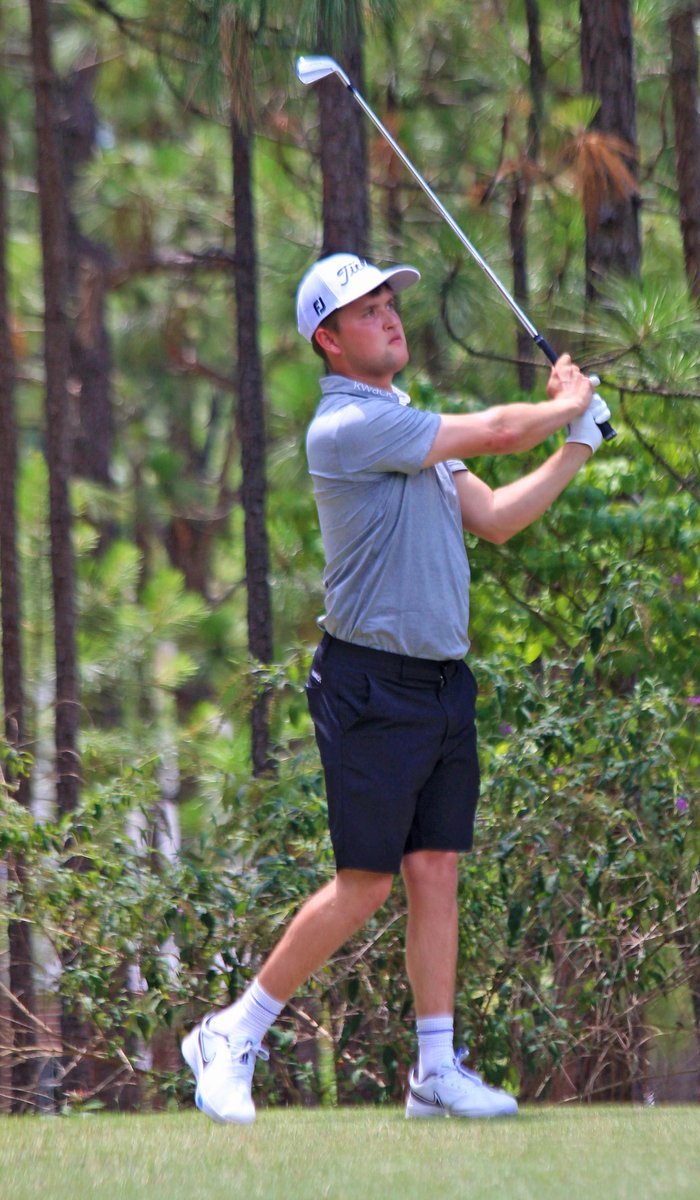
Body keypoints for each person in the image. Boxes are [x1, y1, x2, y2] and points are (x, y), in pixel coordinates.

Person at [182, 252, 609, 1123]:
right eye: (366, 309)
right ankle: (233, 1032)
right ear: (328, 342)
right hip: (369, 682)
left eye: (388, 302)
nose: (388, 316)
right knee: (366, 880)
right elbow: (495, 429)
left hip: (441, 681)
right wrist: (562, 402)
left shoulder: (406, 423)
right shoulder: (347, 428)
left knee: (434, 868)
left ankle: (433, 1073)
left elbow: (492, 518)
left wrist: (576, 443)